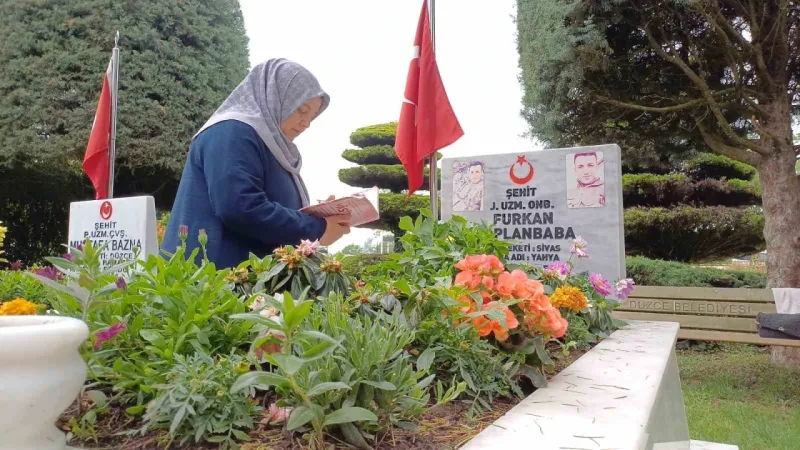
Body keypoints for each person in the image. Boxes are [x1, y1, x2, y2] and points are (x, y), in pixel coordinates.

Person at [161, 59, 351, 268]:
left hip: (240, 278)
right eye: (301, 110)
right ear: (275, 97)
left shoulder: (270, 146)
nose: (306, 123)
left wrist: (316, 215)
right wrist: (317, 228)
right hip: (211, 279)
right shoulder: (232, 132)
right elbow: (241, 208)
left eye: (312, 116)